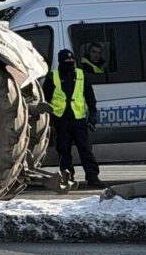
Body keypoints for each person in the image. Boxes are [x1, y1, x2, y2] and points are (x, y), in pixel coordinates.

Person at [43, 49, 104, 188]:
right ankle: (67, 177)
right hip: (61, 119)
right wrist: (48, 120)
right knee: (64, 151)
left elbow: (89, 95)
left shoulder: (81, 75)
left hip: (79, 119)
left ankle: (93, 177)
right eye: (67, 61)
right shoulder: (53, 76)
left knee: (86, 149)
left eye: (72, 61)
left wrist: (93, 113)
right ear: (60, 62)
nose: (70, 63)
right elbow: (46, 99)